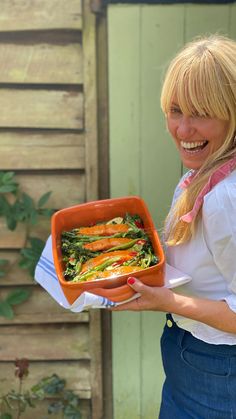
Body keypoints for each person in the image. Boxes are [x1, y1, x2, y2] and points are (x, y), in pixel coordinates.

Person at [112, 34, 236, 418]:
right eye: (175, 110)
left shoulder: (225, 198)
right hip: (193, 356)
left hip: (218, 369)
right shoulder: (206, 174)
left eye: (200, 112)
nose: (182, 130)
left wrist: (166, 300)